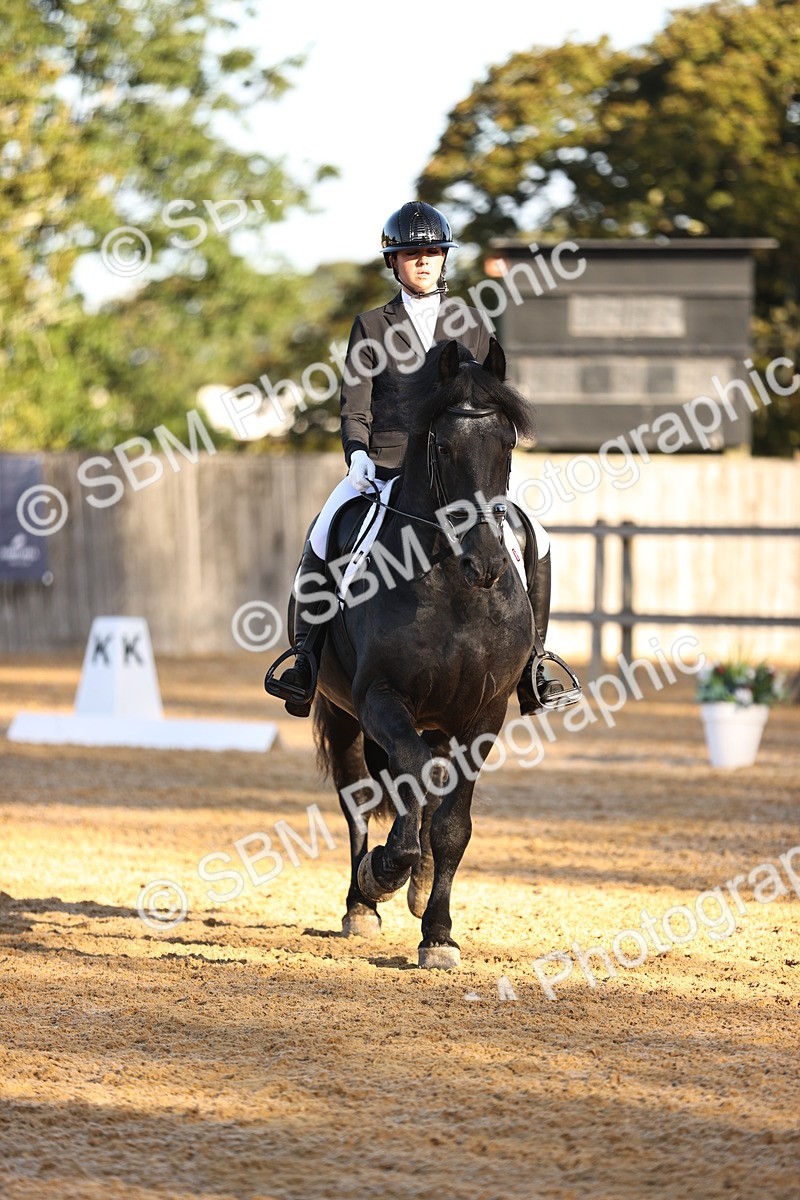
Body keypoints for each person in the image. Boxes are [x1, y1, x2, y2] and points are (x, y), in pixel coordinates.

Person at [265, 200, 581, 717]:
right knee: (324, 532)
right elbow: (355, 404)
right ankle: (305, 658)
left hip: (462, 472)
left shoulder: (473, 324)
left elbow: (490, 405)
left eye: (432, 252)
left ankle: (535, 665)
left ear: (443, 259)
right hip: (386, 465)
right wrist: (358, 456)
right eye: (412, 254)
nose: (423, 261)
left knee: (537, 539)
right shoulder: (371, 326)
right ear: (394, 262)